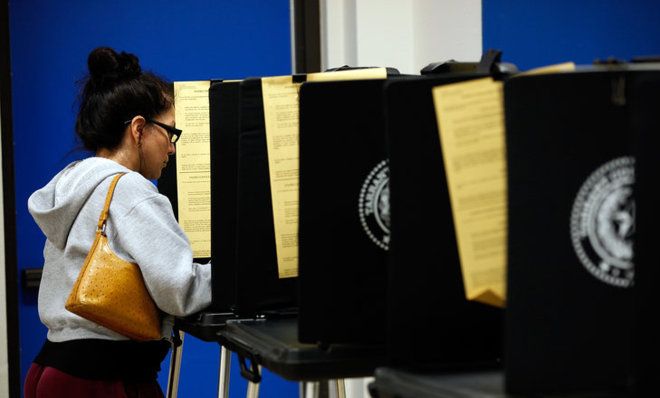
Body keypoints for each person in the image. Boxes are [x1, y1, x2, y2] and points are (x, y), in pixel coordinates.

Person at [24, 47, 211, 397]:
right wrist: (238, 276)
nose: (172, 148)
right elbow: (180, 291)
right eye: (170, 133)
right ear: (139, 129)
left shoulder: (72, 183)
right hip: (103, 378)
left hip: (50, 371)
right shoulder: (131, 190)